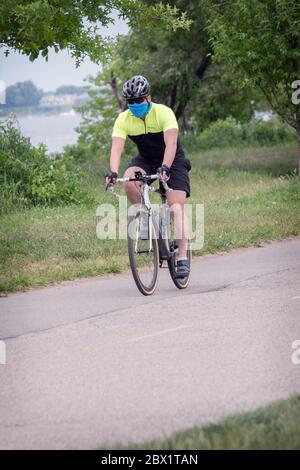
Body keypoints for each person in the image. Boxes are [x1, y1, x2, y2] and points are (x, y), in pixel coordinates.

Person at [106, 75, 191, 278]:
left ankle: (181, 257)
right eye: (131, 101)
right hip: (145, 159)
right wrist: (113, 172)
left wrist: (165, 167)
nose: (135, 104)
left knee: (175, 207)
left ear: (148, 98)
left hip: (172, 160)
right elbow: (116, 149)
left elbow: (171, 144)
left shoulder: (164, 113)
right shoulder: (124, 119)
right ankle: (144, 222)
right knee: (129, 180)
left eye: (139, 100)